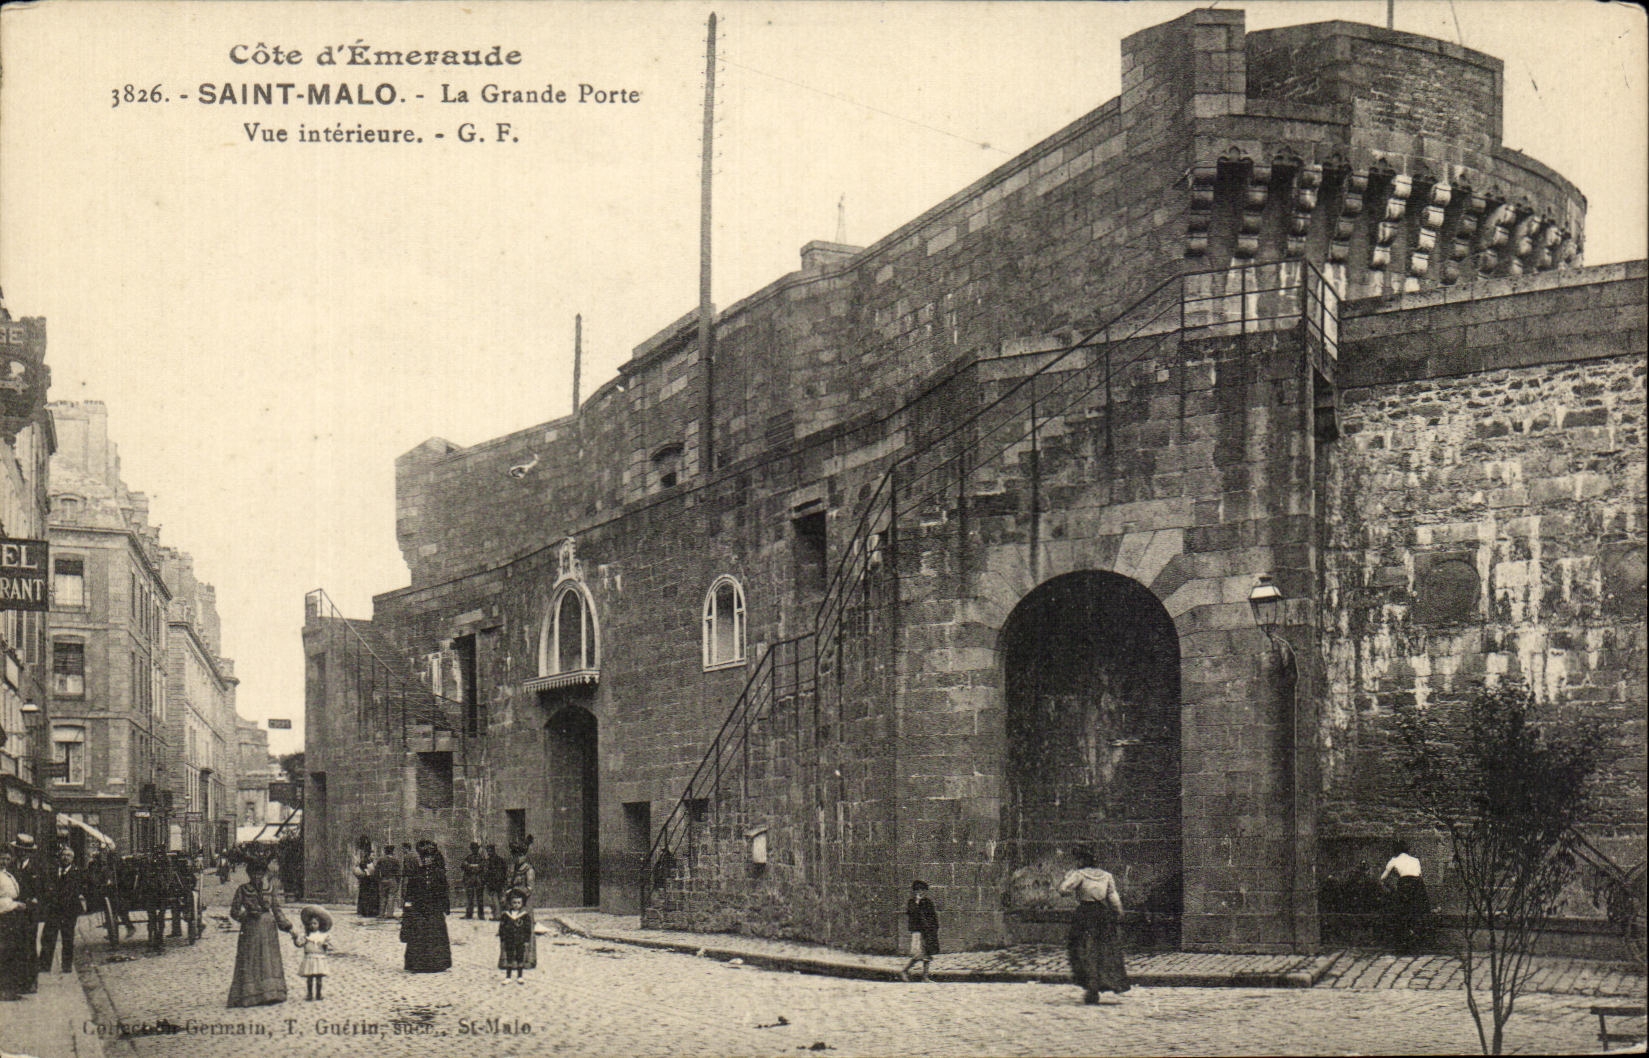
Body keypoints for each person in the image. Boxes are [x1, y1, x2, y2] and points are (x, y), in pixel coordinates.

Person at [1058, 847, 1130, 1005]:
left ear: (1082, 860)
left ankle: (1091, 986)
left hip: (1085, 914)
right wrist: (1119, 912)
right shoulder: (1106, 876)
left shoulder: (1079, 875)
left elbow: (1063, 890)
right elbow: (1113, 897)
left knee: (1083, 948)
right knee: (1104, 948)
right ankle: (1102, 982)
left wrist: (1067, 878)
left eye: (1078, 859)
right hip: (1102, 914)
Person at [227, 856, 293, 1007]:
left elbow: (276, 909)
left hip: (269, 931)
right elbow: (234, 911)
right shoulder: (242, 890)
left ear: (263, 874)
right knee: (251, 960)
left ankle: (272, 993)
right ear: (249, 874)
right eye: (254, 874)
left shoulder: (269, 889)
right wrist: (247, 915)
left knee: (269, 960)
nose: (257, 877)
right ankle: (250, 995)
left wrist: (287, 926)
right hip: (251, 930)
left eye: (260, 874)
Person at [400, 839, 452, 973]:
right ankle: (417, 963)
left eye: (429, 858)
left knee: (435, 934)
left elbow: (444, 890)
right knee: (418, 935)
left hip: (434, 909)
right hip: (419, 909)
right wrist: (408, 906)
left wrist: (445, 906)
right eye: (424, 858)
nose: (427, 860)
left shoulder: (439, 874)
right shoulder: (416, 873)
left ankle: (438, 963)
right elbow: (410, 891)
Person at [38, 843, 87, 973]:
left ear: (73, 859)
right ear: (60, 857)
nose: (66, 858)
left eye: (69, 856)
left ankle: (66, 966)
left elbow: (79, 889)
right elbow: (46, 887)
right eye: (64, 855)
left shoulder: (77, 873)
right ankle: (44, 965)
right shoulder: (52, 872)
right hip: (53, 910)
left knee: (67, 938)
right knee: (48, 937)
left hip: (69, 911)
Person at [1379, 841, 1431, 954]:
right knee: (1417, 913)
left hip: (1405, 886)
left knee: (1402, 914)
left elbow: (1383, 878)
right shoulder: (1415, 860)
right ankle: (1417, 942)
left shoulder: (1394, 860)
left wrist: (1391, 889)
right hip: (1418, 886)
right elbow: (1419, 874)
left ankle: (1404, 943)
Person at [0, 845, 33, 1000]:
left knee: (10, 952)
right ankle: (4, 990)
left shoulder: (7, 874)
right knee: (4, 953)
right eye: (1, 858)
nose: (4, 862)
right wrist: (14, 905)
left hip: (10, 919)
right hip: (3, 917)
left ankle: (10, 988)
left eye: (7, 858)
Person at [10, 834, 40, 995]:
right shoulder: (11, 867)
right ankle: (20, 980)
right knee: (17, 946)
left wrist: (32, 902)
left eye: (25, 851)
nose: (22, 854)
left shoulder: (36, 868)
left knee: (29, 945)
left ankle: (31, 981)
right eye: (19, 851)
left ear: (30, 853)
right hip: (14, 912)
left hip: (29, 914)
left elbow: (41, 891)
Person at [899, 879, 940, 982]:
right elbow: (912, 914)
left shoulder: (928, 902)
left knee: (927, 953)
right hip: (918, 930)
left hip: (928, 930)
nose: (920, 892)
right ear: (914, 891)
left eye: (922, 890)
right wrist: (917, 903)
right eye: (917, 890)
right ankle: (904, 970)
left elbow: (933, 916)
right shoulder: (912, 902)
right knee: (919, 953)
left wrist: (934, 928)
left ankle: (925, 977)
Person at [292, 905, 333, 1001]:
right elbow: (299, 944)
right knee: (309, 979)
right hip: (309, 958)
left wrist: (326, 945)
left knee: (319, 979)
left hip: (319, 959)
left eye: (315, 923)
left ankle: (318, 994)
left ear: (319, 924)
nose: (312, 925)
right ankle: (310, 994)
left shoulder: (323, 936)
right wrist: (295, 938)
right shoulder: (306, 936)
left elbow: (327, 948)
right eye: (310, 924)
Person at [496, 888, 536, 982]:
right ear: (510, 903)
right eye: (514, 902)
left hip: (520, 940)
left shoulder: (525, 916)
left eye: (518, 902)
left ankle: (520, 976)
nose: (516, 905)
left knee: (520, 957)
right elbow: (502, 928)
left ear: (522, 903)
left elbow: (527, 930)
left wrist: (526, 941)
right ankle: (508, 976)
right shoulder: (506, 915)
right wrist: (502, 939)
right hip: (509, 940)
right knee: (509, 957)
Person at [506, 838, 536, 907]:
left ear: (524, 856)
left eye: (520, 855)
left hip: (524, 900)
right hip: (512, 900)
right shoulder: (512, 868)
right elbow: (509, 883)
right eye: (515, 856)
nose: (517, 858)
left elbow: (530, 888)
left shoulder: (528, 869)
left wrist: (519, 893)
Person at [353, 842, 379, 917]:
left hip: (367, 881)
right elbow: (366, 871)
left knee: (366, 896)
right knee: (366, 897)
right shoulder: (365, 861)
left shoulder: (368, 861)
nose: (374, 857)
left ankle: (365, 911)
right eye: (373, 855)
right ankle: (365, 911)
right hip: (366, 881)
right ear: (369, 855)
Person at [482, 843, 508, 920]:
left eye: (490, 851)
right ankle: (500, 915)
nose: (489, 853)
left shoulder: (490, 861)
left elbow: (488, 872)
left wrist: (487, 881)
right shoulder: (500, 860)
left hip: (493, 883)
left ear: (493, 851)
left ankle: (497, 916)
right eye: (488, 851)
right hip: (499, 882)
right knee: (499, 900)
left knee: (494, 900)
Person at [461, 842, 486, 919]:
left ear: (478, 849)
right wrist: (474, 867)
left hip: (479, 880)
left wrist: (470, 867)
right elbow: (463, 866)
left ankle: (481, 915)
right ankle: (469, 914)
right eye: (473, 848)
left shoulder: (481, 858)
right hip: (470, 881)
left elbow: (482, 867)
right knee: (470, 898)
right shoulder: (468, 857)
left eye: (476, 848)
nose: (474, 850)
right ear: (471, 849)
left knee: (480, 898)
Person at [376, 845, 401, 919]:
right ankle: (389, 914)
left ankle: (381, 913)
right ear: (392, 851)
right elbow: (398, 872)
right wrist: (398, 882)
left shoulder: (381, 860)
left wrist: (378, 879)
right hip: (392, 879)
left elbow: (376, 871)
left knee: (383, 897)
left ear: (385, 851)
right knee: (391, 896)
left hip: (383, 879)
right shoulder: (395, 860)